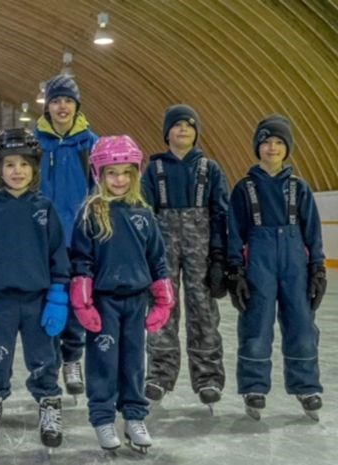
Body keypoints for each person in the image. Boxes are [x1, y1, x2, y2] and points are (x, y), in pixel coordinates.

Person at [0, 128, 69, 450]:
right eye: (9, 164)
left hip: (38, 301)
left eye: (24, 164)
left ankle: (49, 407)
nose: (17, 171)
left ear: (34, 168)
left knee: (44, 360)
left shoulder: (44, 208)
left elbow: (57, 253)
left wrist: (58, 295)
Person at [69, 135, 174, 453]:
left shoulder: (144, 214)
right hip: (103, 302)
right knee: (102, 362)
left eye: (126, 173)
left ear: (135, 174)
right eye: (112, 173)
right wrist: (83, 299)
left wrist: (163, 297)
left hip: (135, 301)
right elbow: (81, 259)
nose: (119, 179)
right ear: (99, 175)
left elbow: (157, 258)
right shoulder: (91, 212)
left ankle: (133, 415)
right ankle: (102, 417)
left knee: (133, 363)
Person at [226, 114, 326, 421]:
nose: (272, 148)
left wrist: (318, 268)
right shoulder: (244, 189)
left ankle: (306, 385)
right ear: (258, 147)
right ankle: (254, 387)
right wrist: (235, 270)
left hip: (295, 263)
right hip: (259, 262)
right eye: (266, 142)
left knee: (302, 323)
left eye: (279, 142)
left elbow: (313, 231)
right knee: (257, 324)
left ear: (287, 148)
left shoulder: (300, 188)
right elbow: (234, 230)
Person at [141, 104, 229, 410]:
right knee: (162, 309)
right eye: (177, 125)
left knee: (203, 311)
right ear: (167, 133)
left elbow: (220, 214)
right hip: (162, 250)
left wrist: (219, 258)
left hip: (202, 252)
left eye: (189, 125)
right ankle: (159, 375)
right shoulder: (154, 170)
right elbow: (144, 216)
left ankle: (208, 378)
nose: (183, 130)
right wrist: (146, 257)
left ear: (196, 133)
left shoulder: (210, 169)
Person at [34, 73, 98, 400]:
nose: (62, 106)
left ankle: (72, 358)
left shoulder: (90, 144)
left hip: (77, 238)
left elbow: (101, 192)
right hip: (42, 240)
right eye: (56, 100)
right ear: (47, 105)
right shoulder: (35, 142)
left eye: (68, 101)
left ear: (76, 106)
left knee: (76, 301)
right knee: (46, 301)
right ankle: (49, 362)